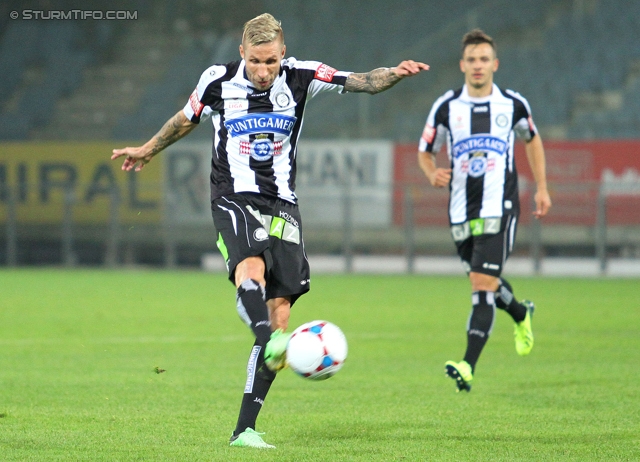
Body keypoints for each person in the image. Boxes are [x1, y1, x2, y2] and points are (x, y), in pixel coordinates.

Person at [112, 13, 429, 448]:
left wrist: (393, 74)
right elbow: (186, 119)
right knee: (251, 265)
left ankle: (244, 430)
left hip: (282, 203)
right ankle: (267, 338)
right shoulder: (217, 81)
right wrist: (148, 150)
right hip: (233, 195)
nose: (264, 72)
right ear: (242, 53)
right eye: (256, 62)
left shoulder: (301, 76)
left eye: (271, 63)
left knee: (280, 310)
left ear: (283, 54)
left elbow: (364, 82)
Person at [417, 29, 551, 393]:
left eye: (484, 59)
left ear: (495, 64)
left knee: (480, 286)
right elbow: (425, 150)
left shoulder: (513, 104)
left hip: (500, 206)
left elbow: (532, 139)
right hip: (460, 210)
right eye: (472, 60)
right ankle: (522, 314)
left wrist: (541, 187)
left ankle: (467, 365)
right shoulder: (446, 107)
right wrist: (432, 173)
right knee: (484, 281)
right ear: (463, 65)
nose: (478, 66)